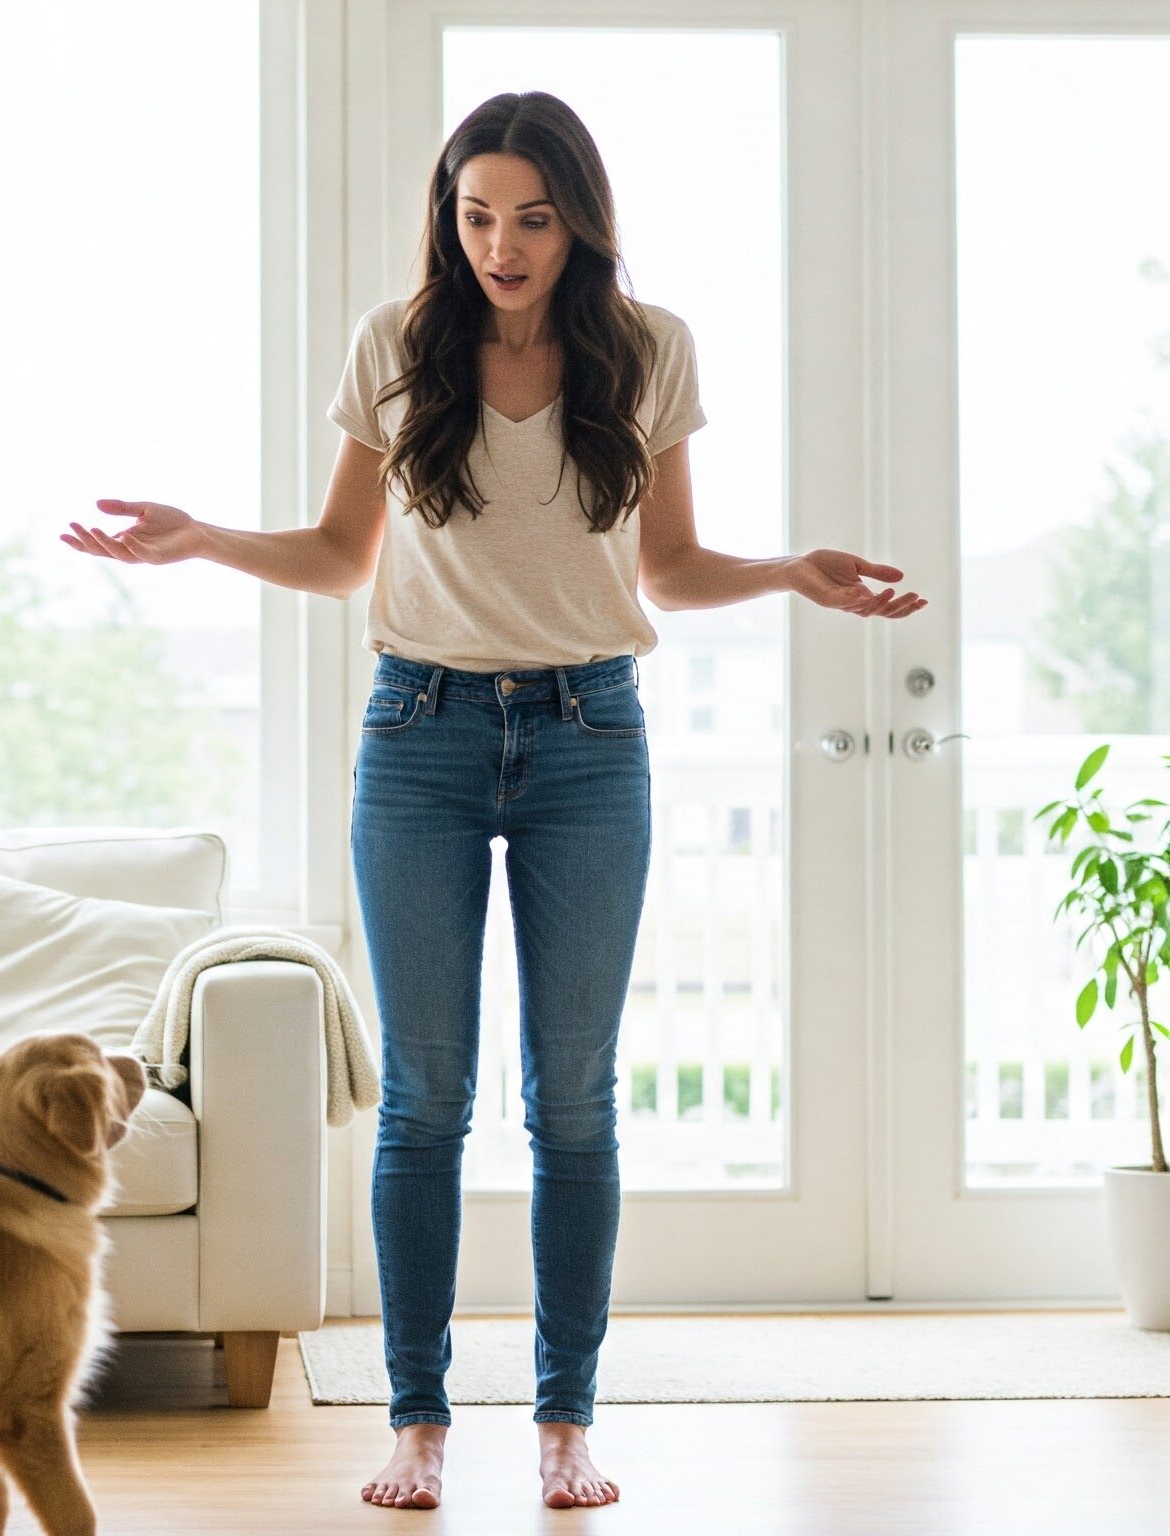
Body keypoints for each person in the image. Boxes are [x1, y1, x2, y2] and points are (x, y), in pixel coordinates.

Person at [60, 89, 922, 1515]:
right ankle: (417, 1420)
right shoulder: (400, 348)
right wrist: (203, 537)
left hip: (593, 737)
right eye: (476, 216)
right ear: (448, 217)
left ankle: (567, 1420)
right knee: (427, 1098)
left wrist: (787, 576)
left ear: (578, 218)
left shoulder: (647, 353)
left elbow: (670, 570)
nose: (501, 246)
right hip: (421, 733)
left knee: (573, 1098)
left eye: (529, 217)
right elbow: (346, 554)